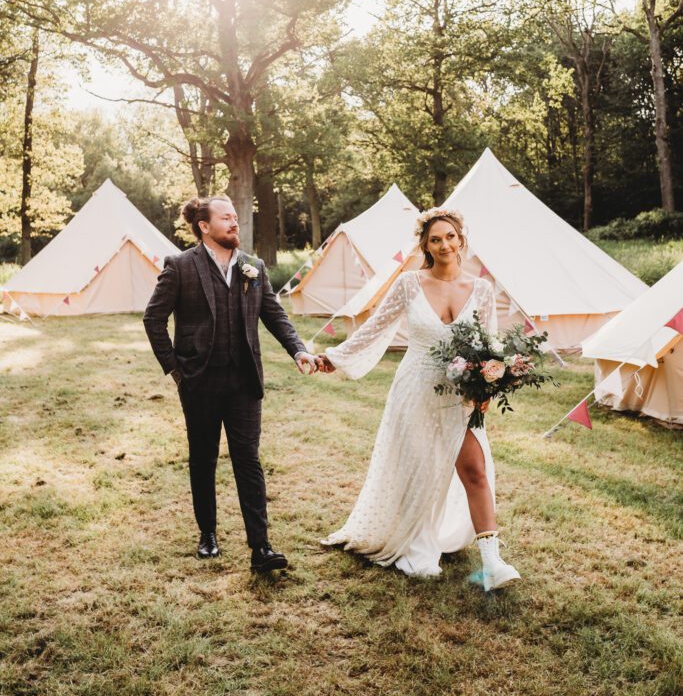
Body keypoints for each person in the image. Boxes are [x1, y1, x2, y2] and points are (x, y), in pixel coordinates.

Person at [319, 207, 521, 589]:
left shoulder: (481, 289)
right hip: (415, 388)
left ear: (461, 239)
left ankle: (493, 564)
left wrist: (491, 383)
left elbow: (491, 342)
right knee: (421, 469)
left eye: (450, 236)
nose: (444, 244)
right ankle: (417, 545)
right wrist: (334, 358)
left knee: (475, 470)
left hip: (462, 394)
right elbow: (375, 327)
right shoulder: (410, 284)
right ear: (425, 246)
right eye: (435, 239)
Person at [143, 195, 325, 573]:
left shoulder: (252, 267)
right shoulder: (180, 267)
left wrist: (299, 351)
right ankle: (207, 533)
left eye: (235, 218)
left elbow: (275, 316)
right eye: (226, 218)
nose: (234, 223)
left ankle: (260, 547)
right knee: (203, 459)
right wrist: (175, 370)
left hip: (244, 383)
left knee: (248, 461)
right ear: (204, 227)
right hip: (199, 382)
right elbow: (153, 319)